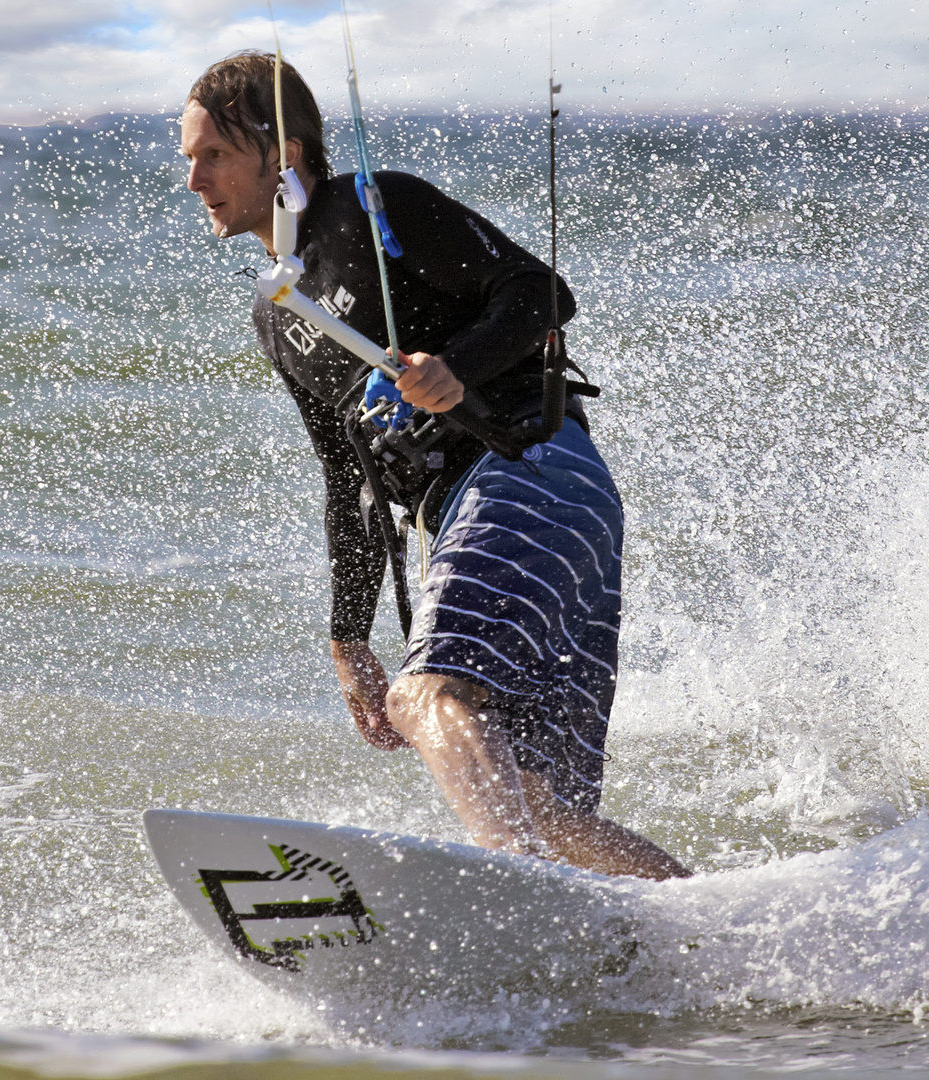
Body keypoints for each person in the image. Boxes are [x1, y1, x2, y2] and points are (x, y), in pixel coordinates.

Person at [180, 51, 689, 880]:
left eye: (215, 155)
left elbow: (539, 294)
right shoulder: (276, 315)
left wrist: (456, 365)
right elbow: (345, 484)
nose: (196, 178)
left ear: (286, 155)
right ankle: (695, 924)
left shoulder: (376, 208)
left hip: (529, 469)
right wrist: (348, 640)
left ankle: (512, 889)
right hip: (483, 515)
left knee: (428, 701)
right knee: (532, 796)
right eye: (189, 159)